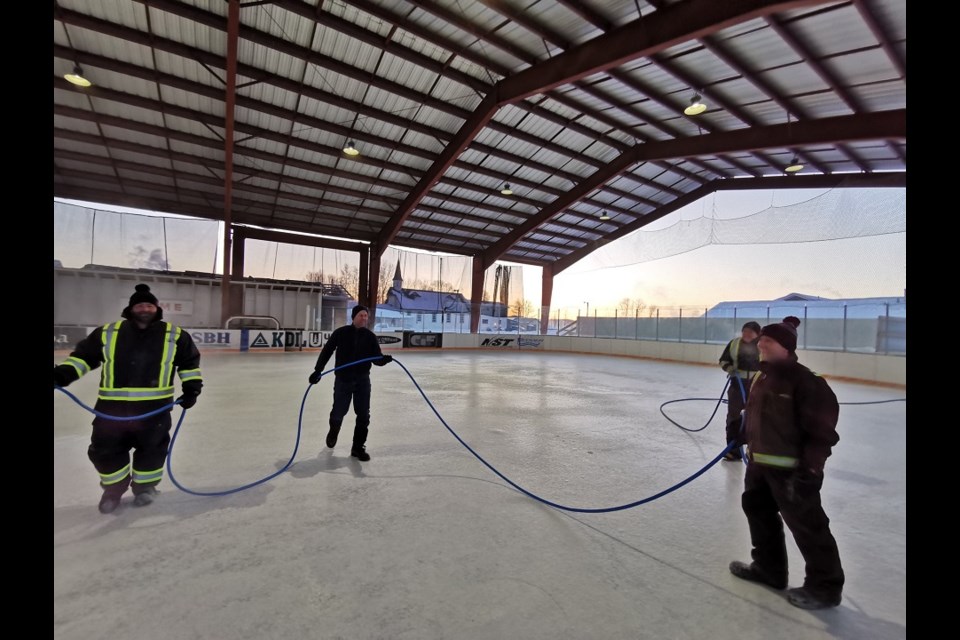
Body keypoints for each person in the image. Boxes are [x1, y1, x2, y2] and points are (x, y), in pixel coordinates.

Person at [54, 284, 203, 514]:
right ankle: (113, 490)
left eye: (149, 304)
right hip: (112, 409)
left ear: (157, 308)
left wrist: (192, 388)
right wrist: (63, 375)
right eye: (140, 305)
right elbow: (83, 359)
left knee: (152, 450)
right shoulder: (108, 332)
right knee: (104, 451)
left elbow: (189, 364)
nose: (145, 308)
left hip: (155, 410)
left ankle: (144, 488)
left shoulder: (175, 335)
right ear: (131, 309)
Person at [729, 316, 844, 609]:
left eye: (768, 341)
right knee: (760, 516)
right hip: (759, 466)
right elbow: (758, 415)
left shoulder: (807, 382)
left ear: (786, 347)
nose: (761, 344)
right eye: (761, 340)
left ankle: (825, 587)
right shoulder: (762, 377)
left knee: (808, 527)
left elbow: (821, 434)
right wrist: (741, 434)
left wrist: (810, 471)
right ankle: (768, 570)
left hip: (792, 472)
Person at [309, 304, 392, 461]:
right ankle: (334, 430)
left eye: (366, 316)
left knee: (363, 415)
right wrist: (318, 370)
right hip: (343, 380)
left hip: (362, 381)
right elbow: (327, 351)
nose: (364, 318)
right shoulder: (341, 333)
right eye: (361, 315)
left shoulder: (370, 337)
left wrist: (383, 360)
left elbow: (376, 359)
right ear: (353, 317)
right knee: (338, 412)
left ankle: (357, 447)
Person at [718, 321, 762, 460]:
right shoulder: (734, 343)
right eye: (745, 331)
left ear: (757, 334)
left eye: (750, 332)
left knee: (755, 419)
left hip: (757, 387)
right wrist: (729, 368)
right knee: (734, 419)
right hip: (737, 386)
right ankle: (733, 451)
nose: (746, 334)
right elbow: (723, 360)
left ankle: (754, 451)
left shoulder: (763, 345)